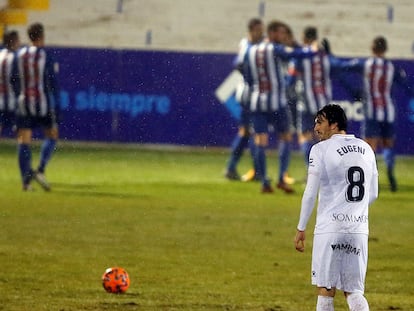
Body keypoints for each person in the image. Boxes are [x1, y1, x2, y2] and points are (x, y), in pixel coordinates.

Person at [294, 104, 378, 311]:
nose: (315, 128)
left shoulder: (320, 150)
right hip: (358, 229)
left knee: (326, 289)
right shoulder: (366, 148)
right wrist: (352, 210)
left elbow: (310, 192)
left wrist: (301, 228)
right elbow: (373, 193)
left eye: (319, 122)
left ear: (334, 124)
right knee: (354, 291)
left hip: (330, 229)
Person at [242, 20, 315, 193]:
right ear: (273, 33)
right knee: (285, 137)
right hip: (276, 103)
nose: (283, 37)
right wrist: (312, 50)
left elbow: (246, 74)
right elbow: (298, 55)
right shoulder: (275, 49)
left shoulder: (250, 51)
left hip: (256, 102)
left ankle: (265, 182)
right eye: (281, 33)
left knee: (260, 140)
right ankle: (282, 178)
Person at [339, 36, 412, 192]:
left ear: (372, 49)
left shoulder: (365, 64)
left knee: (369, 146)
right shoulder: (392, 68)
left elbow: (342, 68)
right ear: (385, 49)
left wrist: (354, 92)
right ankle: (391, 173)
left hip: (371, 110)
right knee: (388, 145)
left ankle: (372, 178)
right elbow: (407, 87)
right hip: (388, 112)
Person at [15, 22, 60, 191]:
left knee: (23, 141)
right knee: (52, 135)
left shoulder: (20, 54)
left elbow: (14, 78)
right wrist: (58, 106)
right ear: (42, 36)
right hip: (43, 103)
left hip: (23, 102)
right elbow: (53, 83)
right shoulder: (46, 56)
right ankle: (40, 169)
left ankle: (25, 183)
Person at [287, 26, 333, 176]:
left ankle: (313, 172)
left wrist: (287, 91)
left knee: (305, 136)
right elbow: (337, 70)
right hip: (323, 103)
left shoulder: (300, 57)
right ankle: (327, 171)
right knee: (324, 138)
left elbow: (291, 79)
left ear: (304, 38)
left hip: (306, 103)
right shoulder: (324, 56)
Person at [224, 17, 263, 181]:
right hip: (248, 95)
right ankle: (257, 171)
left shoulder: (254, 45)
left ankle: (232, 167)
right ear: (252, 30)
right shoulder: (247, 45)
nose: (262, 32)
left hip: (250, 94)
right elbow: (238, 64)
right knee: (253, 132)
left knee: (246, 132)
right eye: (260, 29)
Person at [0, 30, 20, 137]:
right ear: (14, 41)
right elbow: (16, 81)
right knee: (21, 130)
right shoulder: (16, 58)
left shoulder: (0, 55)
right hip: (13, 101)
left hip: (0, 100)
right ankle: (23, 152)